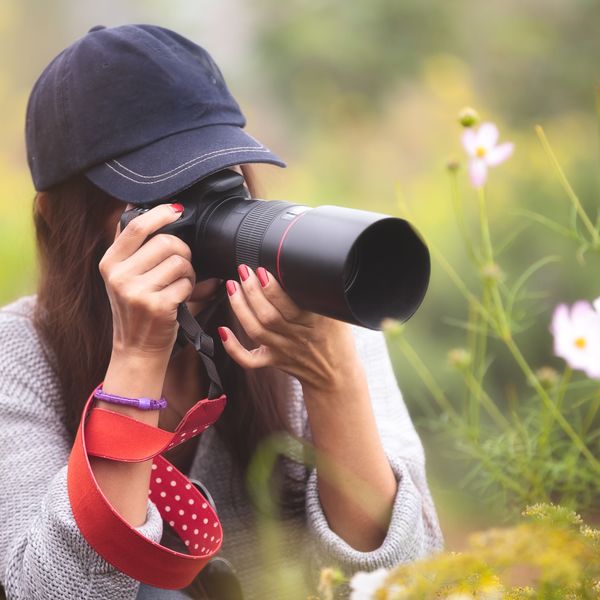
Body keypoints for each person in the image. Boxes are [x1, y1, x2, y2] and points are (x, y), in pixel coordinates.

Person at [0, 24, 443, 600]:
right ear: (59, 224)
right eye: (169, 196)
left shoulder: (316, 319)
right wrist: (135, 359)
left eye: (220, 186)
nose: (209, 226)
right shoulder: (18, 357)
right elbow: (53, 590)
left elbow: (410, 584)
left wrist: (332, 379)